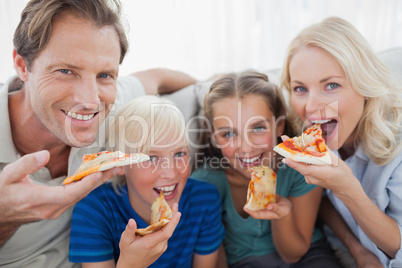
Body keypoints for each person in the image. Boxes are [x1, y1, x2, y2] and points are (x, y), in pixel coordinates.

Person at [0, 0, 196, 267]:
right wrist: (5, 216)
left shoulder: (118, 110)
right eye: (66, 71)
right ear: (23, 66)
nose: (90, 101)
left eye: (104, 74)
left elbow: (158, 77)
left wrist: (214, 90)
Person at [279, 17, 402, 267]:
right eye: (300, 89)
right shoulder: (307, 133)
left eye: (331, 85)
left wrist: (347, 187)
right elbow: (321, 199)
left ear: (364, 83)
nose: (311, 107)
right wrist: (357, 249)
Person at [191, 70, 341, 267]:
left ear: (279, 126)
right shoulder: (205, 183)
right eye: (228, 134)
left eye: (258, 128)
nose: (245, 147)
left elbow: (293, 255)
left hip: (308, 257)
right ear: (214, 137)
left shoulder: (303, 166)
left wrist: (283, 215)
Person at [69, 95, 225, 267]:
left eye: (179, 154)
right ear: (120, 164)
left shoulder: (204, 200)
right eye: (151, 158)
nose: (171, 173)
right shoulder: (93, 211)